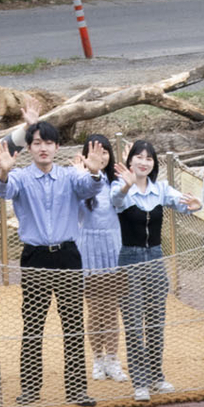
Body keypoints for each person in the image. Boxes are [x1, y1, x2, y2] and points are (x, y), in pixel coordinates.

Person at [0, 122, 104, 407]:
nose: (43, 148)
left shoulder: (69, 176)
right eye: (38, 143)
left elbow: (90, 187)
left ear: (57, 147)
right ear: (29, 148)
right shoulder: (20, 177)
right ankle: (30, 389)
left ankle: (77, 390)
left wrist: (93, 171)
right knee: (33, 323)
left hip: (67, 255)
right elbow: (2, 189)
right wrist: (3, 170)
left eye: (49, 143)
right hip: (35, 257)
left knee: (73, 322)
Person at [111, 137, 202, 401]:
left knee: (155, 320)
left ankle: (156, 376)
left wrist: (197, 204)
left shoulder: (160, 189)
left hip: (155, 258)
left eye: (148, 158)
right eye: (138, 157)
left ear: (154, 164)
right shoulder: (120, 186)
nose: (143, 162)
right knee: (133, 322)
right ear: (130, 161)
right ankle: (139, 381)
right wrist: (126, 186)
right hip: (128, 259)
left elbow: (184, 203)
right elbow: (115, 200)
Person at [75, 135, 126, 385]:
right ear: (86, 156)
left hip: (113, 250)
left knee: (112, 309)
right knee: (95, 310)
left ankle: (112, 359)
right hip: (90, 252)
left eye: (105, 151)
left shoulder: (117, 181)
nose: (101, 157)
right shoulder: (81, 183)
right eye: (94, 152)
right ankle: (97, 359)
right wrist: (79, 175)